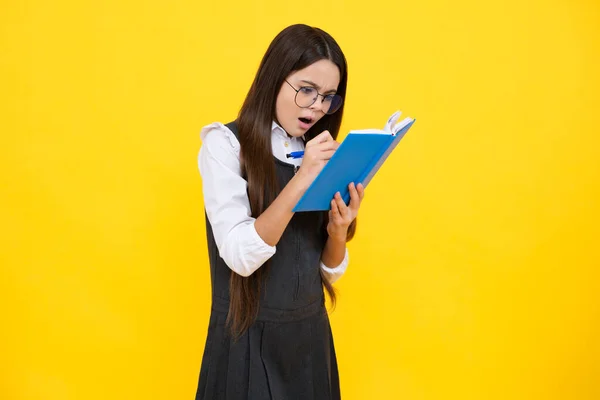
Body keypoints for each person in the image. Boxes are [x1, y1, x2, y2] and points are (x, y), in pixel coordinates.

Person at [195, 24, 364, 400]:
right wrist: (302, 180)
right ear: (274, 78)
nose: (318, 107)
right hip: (246, 342)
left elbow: (324, 272)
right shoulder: (225, 146)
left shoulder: (312, 152)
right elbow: (240, 255)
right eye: (306, 90)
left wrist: (338, 232)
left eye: (329, 97)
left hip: (308, 340)